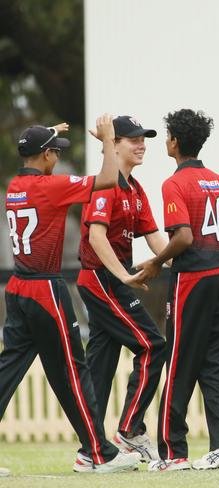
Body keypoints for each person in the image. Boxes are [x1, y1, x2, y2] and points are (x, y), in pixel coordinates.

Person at [0, 117, 140, 473]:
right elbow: (108, 179)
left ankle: (95, 449)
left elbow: (34, 156)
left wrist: (48, 134)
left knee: (7, 371)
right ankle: (98, 454)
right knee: (75, 373)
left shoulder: (15, 185)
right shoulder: (51, 186)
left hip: (18, 289)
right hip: (46, 289)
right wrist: (108, 140)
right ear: (45, 156)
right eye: (54, 153)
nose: (58, 159)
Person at [135, 109, 219, 472]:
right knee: (216, 361)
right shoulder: (216, 179)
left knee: (181, 361)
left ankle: (173, 452)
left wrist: (156, 262)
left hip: (195, 279)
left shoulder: (174, 184)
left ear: (173, 141)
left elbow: (183, 236)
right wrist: (216, 241)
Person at [74, 116, 167, 470]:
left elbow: (155, 238)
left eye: (144, 139)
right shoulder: (105, 185)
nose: (141, 144)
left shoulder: (135, 189)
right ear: (113, 145)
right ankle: (130, 430)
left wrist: (183, 258)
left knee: (99, 365)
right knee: (151, 345)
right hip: (100, 279)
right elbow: (97, 237)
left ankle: (90, 451)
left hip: (112, 280)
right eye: (132, 139)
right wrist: (124, 277)